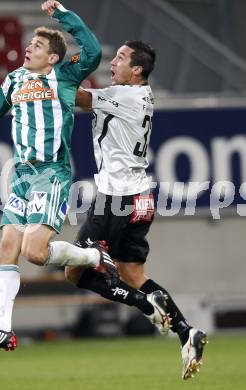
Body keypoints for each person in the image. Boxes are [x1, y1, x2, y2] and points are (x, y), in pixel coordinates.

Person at [0, 0, 120, 353]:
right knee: (7, 247)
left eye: (37, 46)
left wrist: (63, 16)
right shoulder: (15, 80)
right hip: (22, 174)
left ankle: (95, 258)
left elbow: (94, 51)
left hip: (52, 172)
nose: (29, 48)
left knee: (34, 253)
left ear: (53, 57)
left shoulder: (64, 76)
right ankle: (2, 330)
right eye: (29, 44)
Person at [65, 40, 207, 380]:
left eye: (121, 58)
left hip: (115, 198)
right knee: (133, 274)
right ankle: (187, 332)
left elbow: (77, 98)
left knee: (76, 272)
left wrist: (50, 73)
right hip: (141, 195)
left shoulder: (124, 95)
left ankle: (145, 306)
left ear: (137, 69)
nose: (113, 62)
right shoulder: (142, 94)